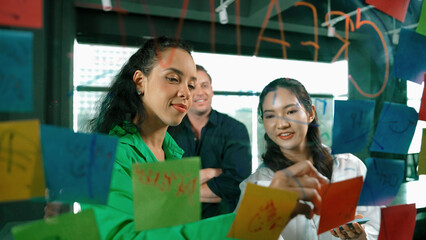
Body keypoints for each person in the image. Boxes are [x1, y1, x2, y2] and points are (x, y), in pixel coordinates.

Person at [238, 78, 380, 240]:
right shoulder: (254, 186)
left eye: (291, 111)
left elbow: (376, 228)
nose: (282, 124)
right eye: (270, 115)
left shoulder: (351, 166)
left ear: (310, 113)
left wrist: (360, 236)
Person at [168, 65, 252, 219]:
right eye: (193, 87)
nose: (200, 92)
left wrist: (176, 191)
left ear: (212, 90)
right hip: (179, 226)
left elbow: (236, 185)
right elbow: (157, 183)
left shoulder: (235, 129)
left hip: (221, 226)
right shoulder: (169, 131)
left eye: (205, 85)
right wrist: (210, 173)